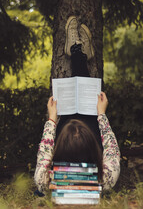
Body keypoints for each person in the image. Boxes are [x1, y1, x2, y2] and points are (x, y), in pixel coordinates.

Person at [34, 16, 120, 195]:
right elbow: (111, 149)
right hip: (87, 162)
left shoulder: (46, 181)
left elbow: (45, 152)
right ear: (94, 150)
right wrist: (52, 119)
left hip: (62, 176)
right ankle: (78, 53)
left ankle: (77, 53)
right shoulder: (104, 180)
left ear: (59, 152)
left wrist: (52, 119)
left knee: (78, 117)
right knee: (75, 118)